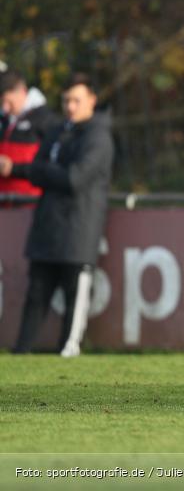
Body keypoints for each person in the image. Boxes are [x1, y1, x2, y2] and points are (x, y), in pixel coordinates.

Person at [0, 73, 114, 357]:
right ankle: (21, 352)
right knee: (36, 295)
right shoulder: (55, 131)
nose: (71, 107)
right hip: (47, 226)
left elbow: (75, 179)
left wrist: (45, 173)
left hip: (79, 230)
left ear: (92, 101)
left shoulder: (98, 138)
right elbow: (38, 170)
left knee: (75, 298)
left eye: (77, 100)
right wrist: (46, 173)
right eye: (66, 100)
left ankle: (68, 353)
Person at [0, 65, 61, 202]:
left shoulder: (45, 120)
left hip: (30, 204)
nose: (5, 108)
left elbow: (51, 167)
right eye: (1, 102)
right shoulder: (3, 119)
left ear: (22, 91)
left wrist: (13, 169)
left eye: (9, 101)